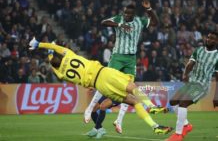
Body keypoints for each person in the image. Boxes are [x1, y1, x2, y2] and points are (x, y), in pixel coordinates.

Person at [29, 38, 173, 136]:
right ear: (61, 57)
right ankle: (151, 106)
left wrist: (49, 57)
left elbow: (54, 67)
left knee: (133, 102)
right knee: (132, 87)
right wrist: (39, 44)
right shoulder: (69, 54)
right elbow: (55, 47)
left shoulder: (61, 74)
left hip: (99, 85)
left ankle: (155, 127)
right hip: (104, 73)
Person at [84, 0, 160, 135]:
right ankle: (90, 109)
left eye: (128, 14)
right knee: (106, 80)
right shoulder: (119, 19)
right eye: (124, 13)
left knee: (129, 88)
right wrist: (119, 25)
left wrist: (149, 9)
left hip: (131, 59)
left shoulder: (139, 21)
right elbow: (103, 22)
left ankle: (118, 121)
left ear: (133, 14)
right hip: (118, 56)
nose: (126, 16)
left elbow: (155, 22)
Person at [167, 31, 218, 141]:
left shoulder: (217, 57)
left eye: (212, 38)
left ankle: (178, 134)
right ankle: (186, 125)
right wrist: (185, 74)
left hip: (202, 86)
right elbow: (190, 64)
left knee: (183, 103)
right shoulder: (199, 50)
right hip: (191, 82)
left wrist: (216, 96)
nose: (209, 40)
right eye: (208, 37)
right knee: (173, 101)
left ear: (216, 41)